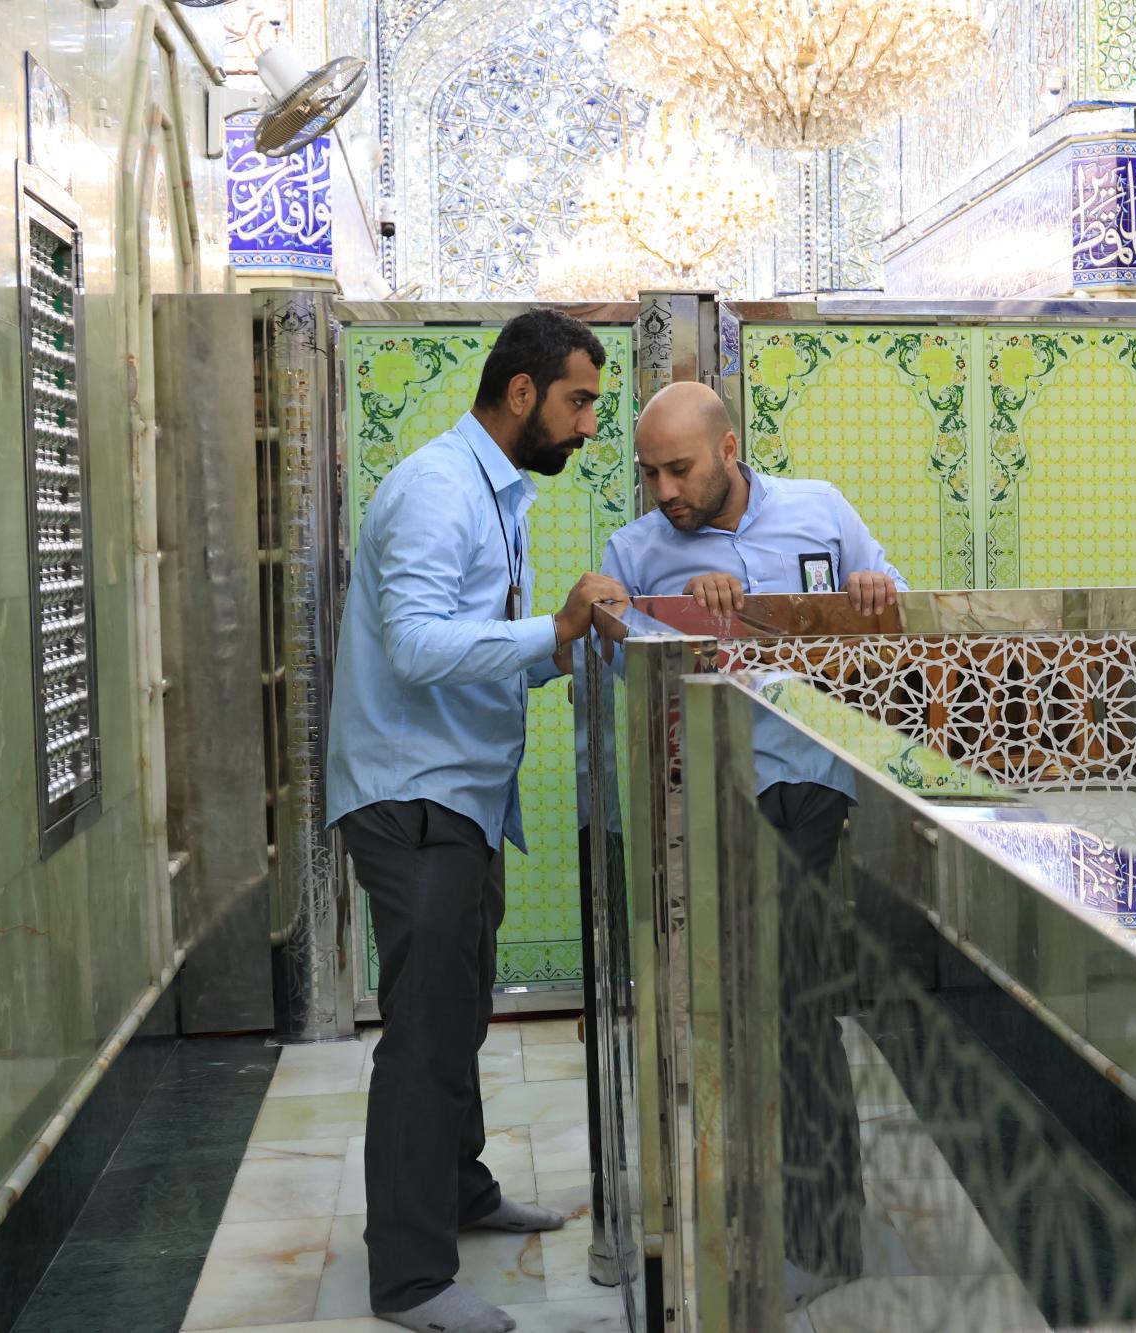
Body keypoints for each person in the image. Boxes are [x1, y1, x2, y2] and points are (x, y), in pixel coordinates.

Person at [325, 309, 629, 1333]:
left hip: (456, 796)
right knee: (423, 1032)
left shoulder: (496, 494)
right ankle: (410, 1277)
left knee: (456, 1010)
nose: (588, 425)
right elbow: (415, 646)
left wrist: (557, 649)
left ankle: (460, 1191)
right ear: (521, 392)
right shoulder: (437, 490)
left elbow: (472, 645)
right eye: (579, 400)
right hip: (411, 797)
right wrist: (549, 628)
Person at [596, 381, 908, 1307]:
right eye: (650, 473)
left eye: (680, 469)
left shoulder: (821, 509)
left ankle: (826, 1232)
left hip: (807, 787)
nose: (665, 490)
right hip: (699, 799)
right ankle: (713, 1208)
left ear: (729, 449)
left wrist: (871, 590)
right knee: (715, 1012)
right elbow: (615, 670)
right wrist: (684, 620)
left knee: (793, 1004)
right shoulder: (635, 551)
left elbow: (889, 607)